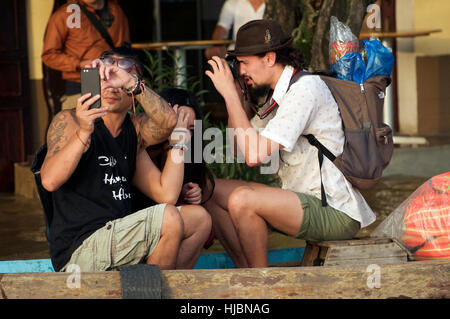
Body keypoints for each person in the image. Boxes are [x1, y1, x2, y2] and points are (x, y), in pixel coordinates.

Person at [204, 19, 376, 268]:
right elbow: (239, 149)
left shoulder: (304, 90)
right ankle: (247, 271)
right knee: (208, 190)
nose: (240, 71)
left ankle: (261, 286)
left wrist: (229, 94)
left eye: (244, 63)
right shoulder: (281, 93)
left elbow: (254, 156)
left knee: (242, 200)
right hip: (299, 201)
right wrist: (237, 99)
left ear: (270, 58)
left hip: (335, 212)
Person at [40, 45, 211, 272]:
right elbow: (49, 181)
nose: (112, 86)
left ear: (133, 94)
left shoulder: (134, 132)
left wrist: (131, 81)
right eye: (106, 77)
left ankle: (151, 290)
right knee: (168, 218)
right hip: (80, 250)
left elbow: (166, 192)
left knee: (199, 219)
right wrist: (83, 132)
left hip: (118, 240)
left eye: (120, 80)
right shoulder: (69, 120)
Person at [131, 88, 217, 251]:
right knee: (199, 218)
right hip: (135, 232)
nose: (184, 133)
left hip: (163, 230)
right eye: (178, 124)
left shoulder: (185, 153)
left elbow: (207, 235)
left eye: (190, 129)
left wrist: (187, 194)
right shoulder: (139, 148)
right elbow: (164, 197)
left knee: (201, 217)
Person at [42, 0, 130, 110]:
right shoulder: (65, 14)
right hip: (81, 83)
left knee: (113, 126)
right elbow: (49, 55)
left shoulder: (116, 10)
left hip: (113, 83)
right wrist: (79, 63)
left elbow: (125, 48)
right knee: (81, 125)